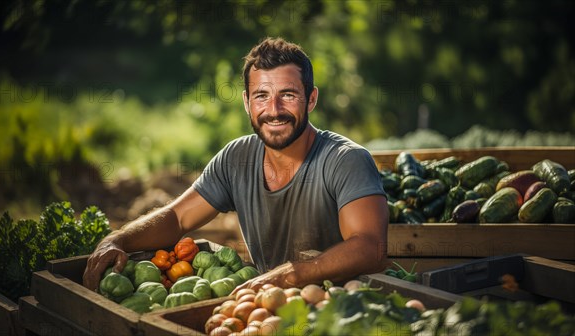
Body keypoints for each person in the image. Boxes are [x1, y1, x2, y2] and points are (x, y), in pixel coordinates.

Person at [83, 37, 389, 292]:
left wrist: (288, 275)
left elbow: (370, 248)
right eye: (261, 96)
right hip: (267, 308)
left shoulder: (346, 160)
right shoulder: (236, 158)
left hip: (342, 310)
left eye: (288, 95)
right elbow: (177, 218)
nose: (274, 110)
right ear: (246, 103)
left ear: (311, 99)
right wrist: (117, 238)